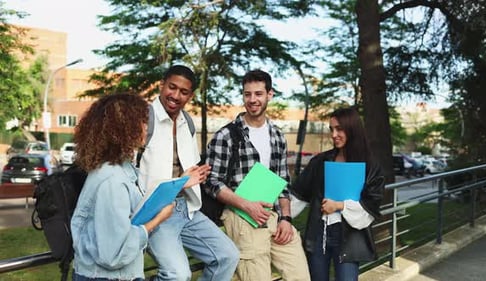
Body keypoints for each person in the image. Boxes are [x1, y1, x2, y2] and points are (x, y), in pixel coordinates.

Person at [71, 93, 209, 281]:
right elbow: (113, 254)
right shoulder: (112, 181)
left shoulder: (119, 169)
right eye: (144, 122)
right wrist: (157, 220)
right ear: (125, 129)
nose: (148, 128)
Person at [205, 69, 311, 281]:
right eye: (247, 94)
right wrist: (246, 205)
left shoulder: (277, 136)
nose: (252, 100)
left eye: (258, 94)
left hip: (273, 215)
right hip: (241, 217)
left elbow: (283, 182)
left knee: (300, 275)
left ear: (269, 95)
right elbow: (211, 182)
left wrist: (286, 218)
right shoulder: (226, 136)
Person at [137, 65, 239, 281]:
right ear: (161, 85)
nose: (175, 96)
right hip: (155, 212)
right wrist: (182, 180)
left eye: (183, 92)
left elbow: (190, 170)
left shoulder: (188, 123)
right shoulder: (143, 119)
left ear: (190, 96)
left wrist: (197, 175)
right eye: (171, 87)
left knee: (228, 256)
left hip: (186, 208)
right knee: (177, 275)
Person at [291, 107, 385, 281]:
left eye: (339, 129)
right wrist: (279, 216)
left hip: (349, 238)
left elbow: (372, 204)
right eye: (331, 129)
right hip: (320, 234)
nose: (334, 134)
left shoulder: (370, 166)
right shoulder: (320, 162)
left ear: (353, 130)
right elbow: (298, 195)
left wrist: (339, 205)